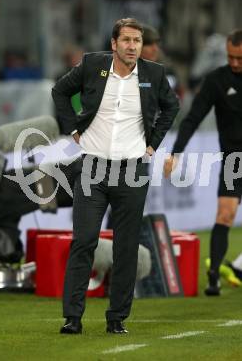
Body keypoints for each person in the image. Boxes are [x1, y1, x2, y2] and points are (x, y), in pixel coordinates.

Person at [52, 17, 179, 334]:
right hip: (92, 169)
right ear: (114, 44)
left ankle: (116, 318)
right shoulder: (93, 64)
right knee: (84, 241)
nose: (133, 46)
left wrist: (153, 144)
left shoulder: (154, 73)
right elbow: (60, 91)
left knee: (126, 246)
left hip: (132, 171)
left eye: (137, 41)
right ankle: (72, 317)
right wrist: (72, 128)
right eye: (126, 40)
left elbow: (171, 106)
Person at [164, 29, 242, 296]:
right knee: (225, 214)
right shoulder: (217, 80)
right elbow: (193, 118)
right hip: (235, 161)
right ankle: (213, 276)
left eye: (239, 59)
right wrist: (175, 152)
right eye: (231, 57)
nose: (234, 63)